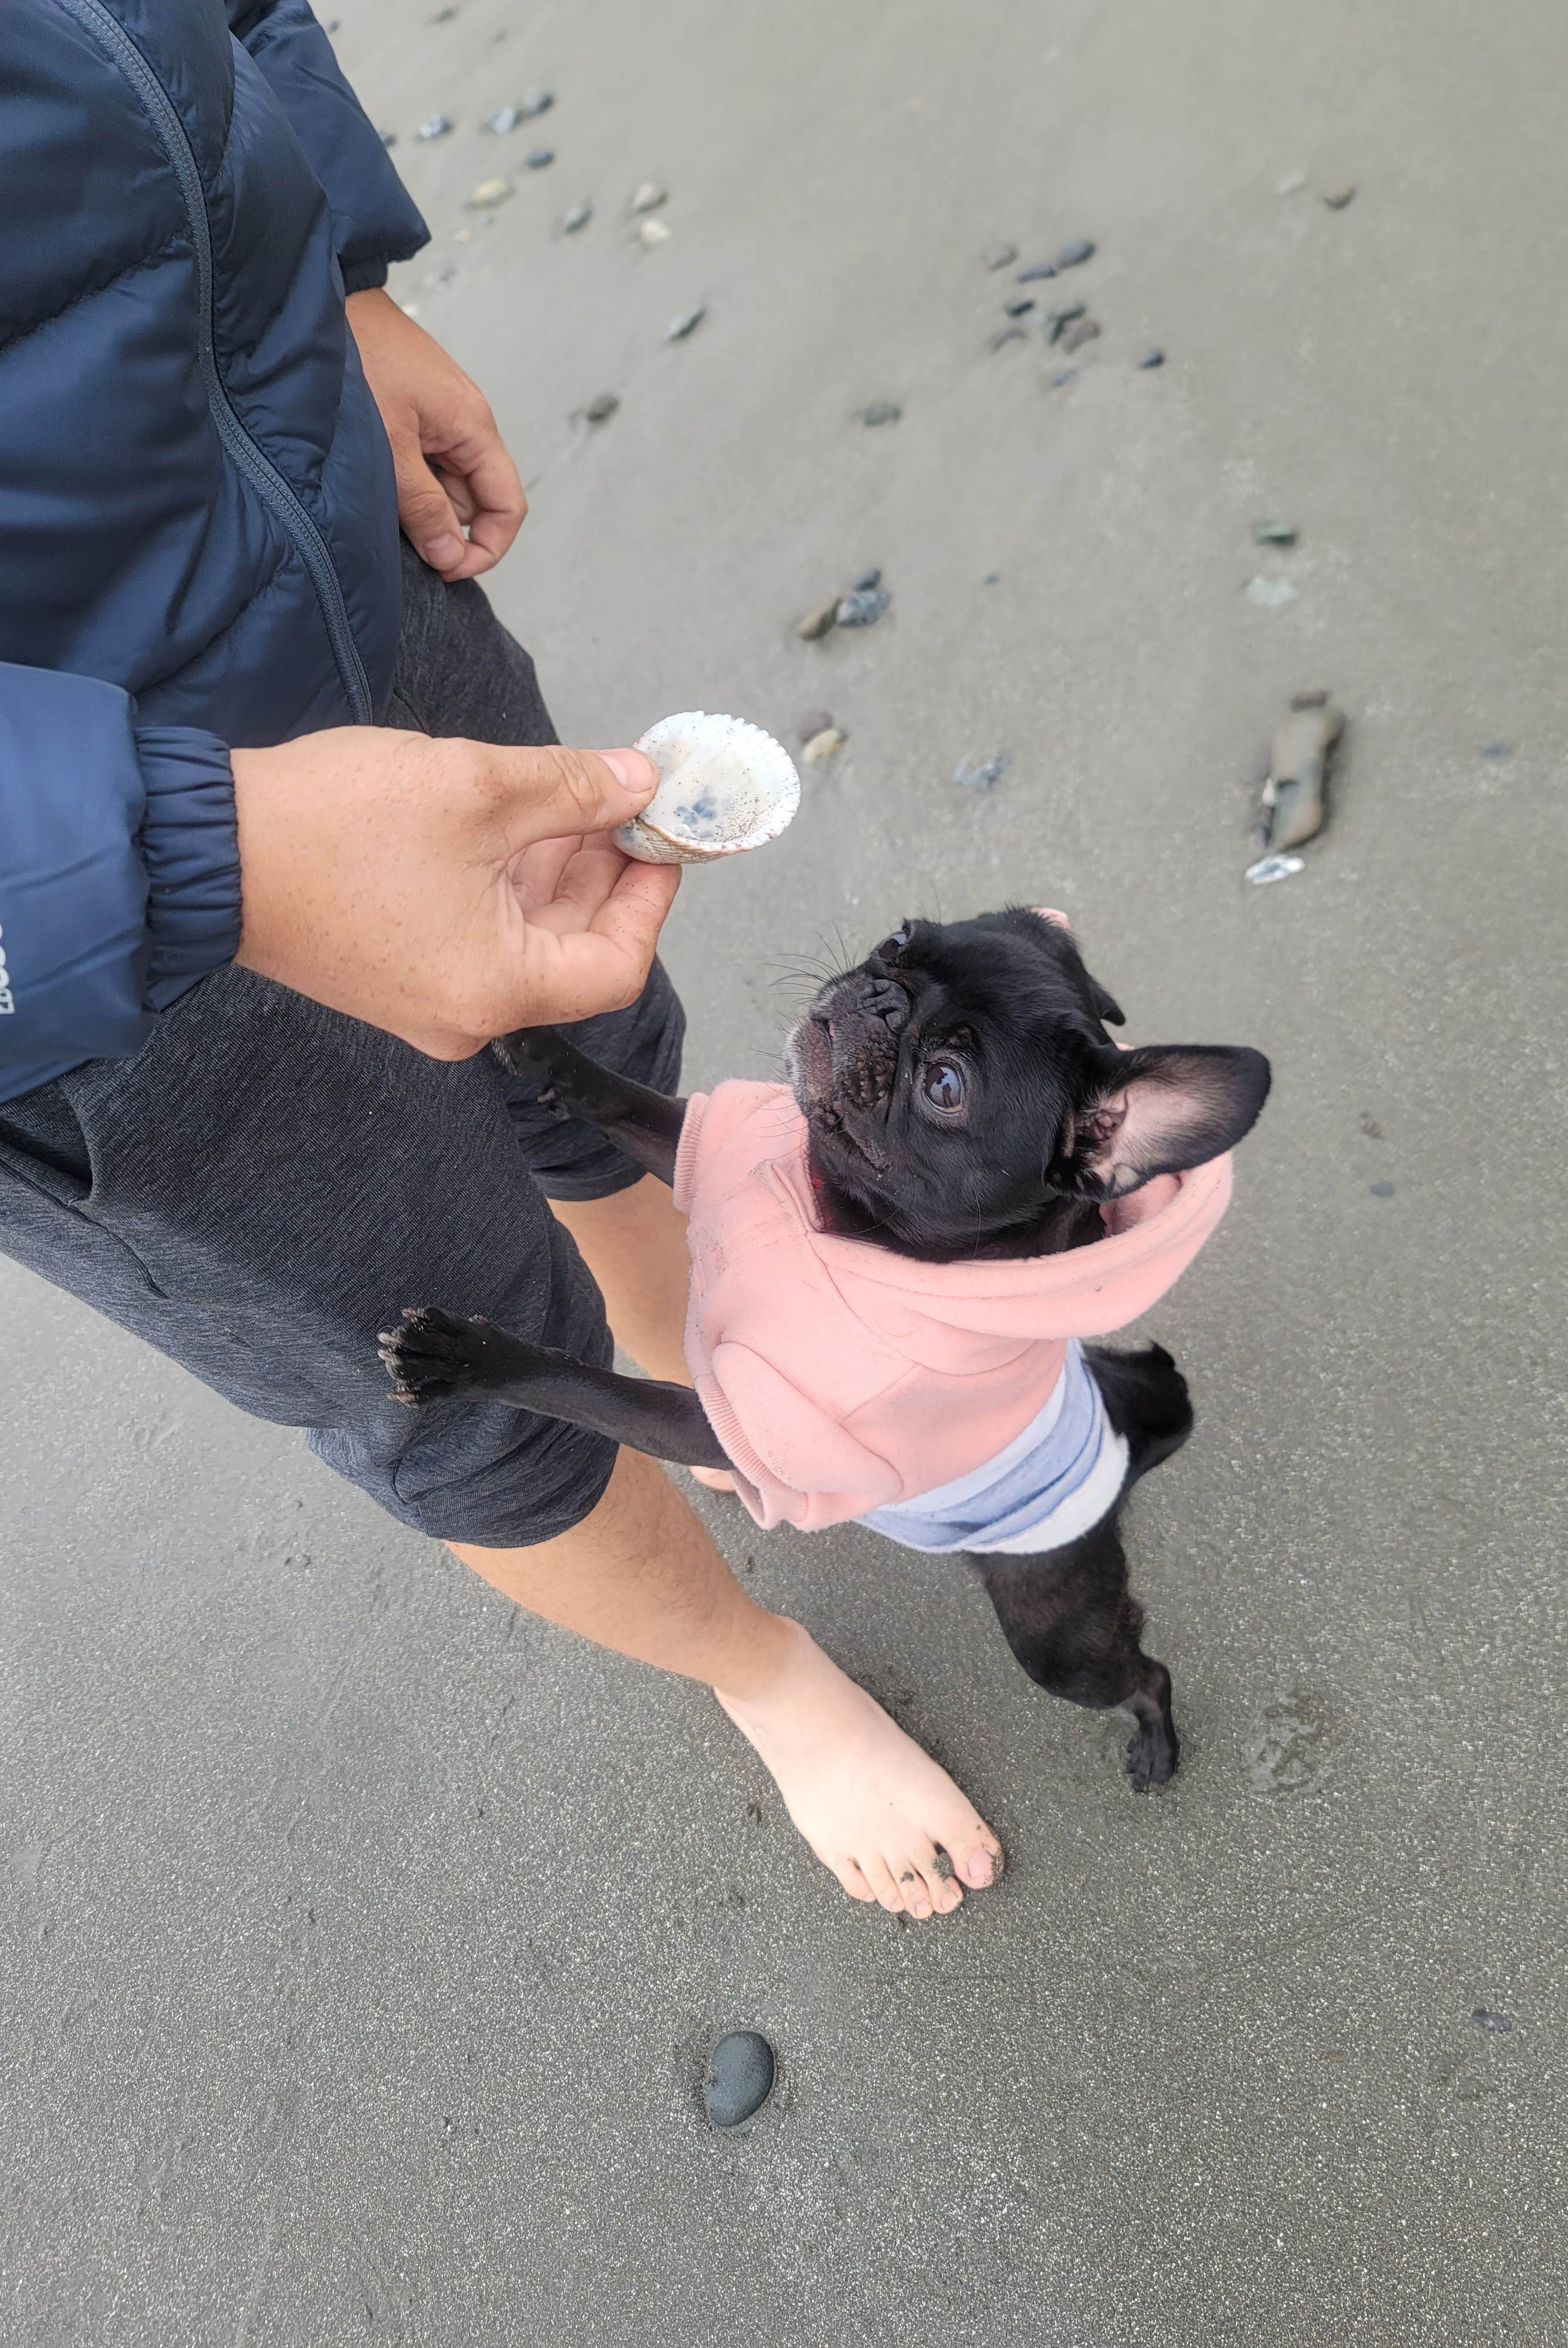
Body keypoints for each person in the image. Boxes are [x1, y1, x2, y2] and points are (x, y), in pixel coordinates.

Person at [0, 0, 1000, 1921]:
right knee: (433, 1356)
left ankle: (696, 1338)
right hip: (64, 971)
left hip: (326, 541)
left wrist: (332, 263)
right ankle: (764, 1673)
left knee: (598, 1035)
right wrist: (195, 850)